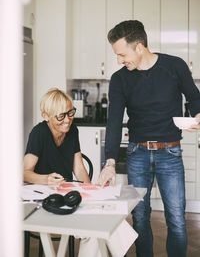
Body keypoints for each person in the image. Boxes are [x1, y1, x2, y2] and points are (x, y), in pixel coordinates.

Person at [98, 20, 200, 257]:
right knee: (140, 217)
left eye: (122, 54)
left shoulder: (175, 66)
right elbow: (113, 122)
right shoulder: (119, 79)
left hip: (170, 153)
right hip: (137, 154)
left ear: (140, 46)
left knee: (176, 218)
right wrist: (110, 163)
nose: (120, 60)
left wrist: (198, 115)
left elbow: (195, 98)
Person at [24, 87, 136, 257]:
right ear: (45, 116)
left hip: (67, 193)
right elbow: (25, 173)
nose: (67, 120)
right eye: (60, 116)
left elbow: (78, 168)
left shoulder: (72, 131)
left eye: (70, 113)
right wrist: (46, 179)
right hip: (45, 198)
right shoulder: (38, 133)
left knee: (103, 218)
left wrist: (93, 192)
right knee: (94, 227)